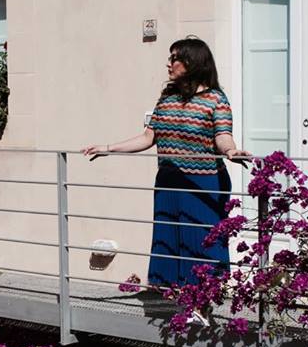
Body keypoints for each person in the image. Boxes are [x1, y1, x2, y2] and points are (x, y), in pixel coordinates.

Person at [83, 37, 251, 294]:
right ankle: (170, 297)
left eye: (174, 58)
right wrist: (108, 148)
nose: (168, 64)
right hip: (169, 180)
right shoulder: (167, 97)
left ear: (192, 62)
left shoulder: (216, 99)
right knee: (168, 236)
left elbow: (222, 136)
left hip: (203, 183)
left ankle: (204, 297)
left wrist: (231, 151)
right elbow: (149, 137)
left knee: (202, 240)